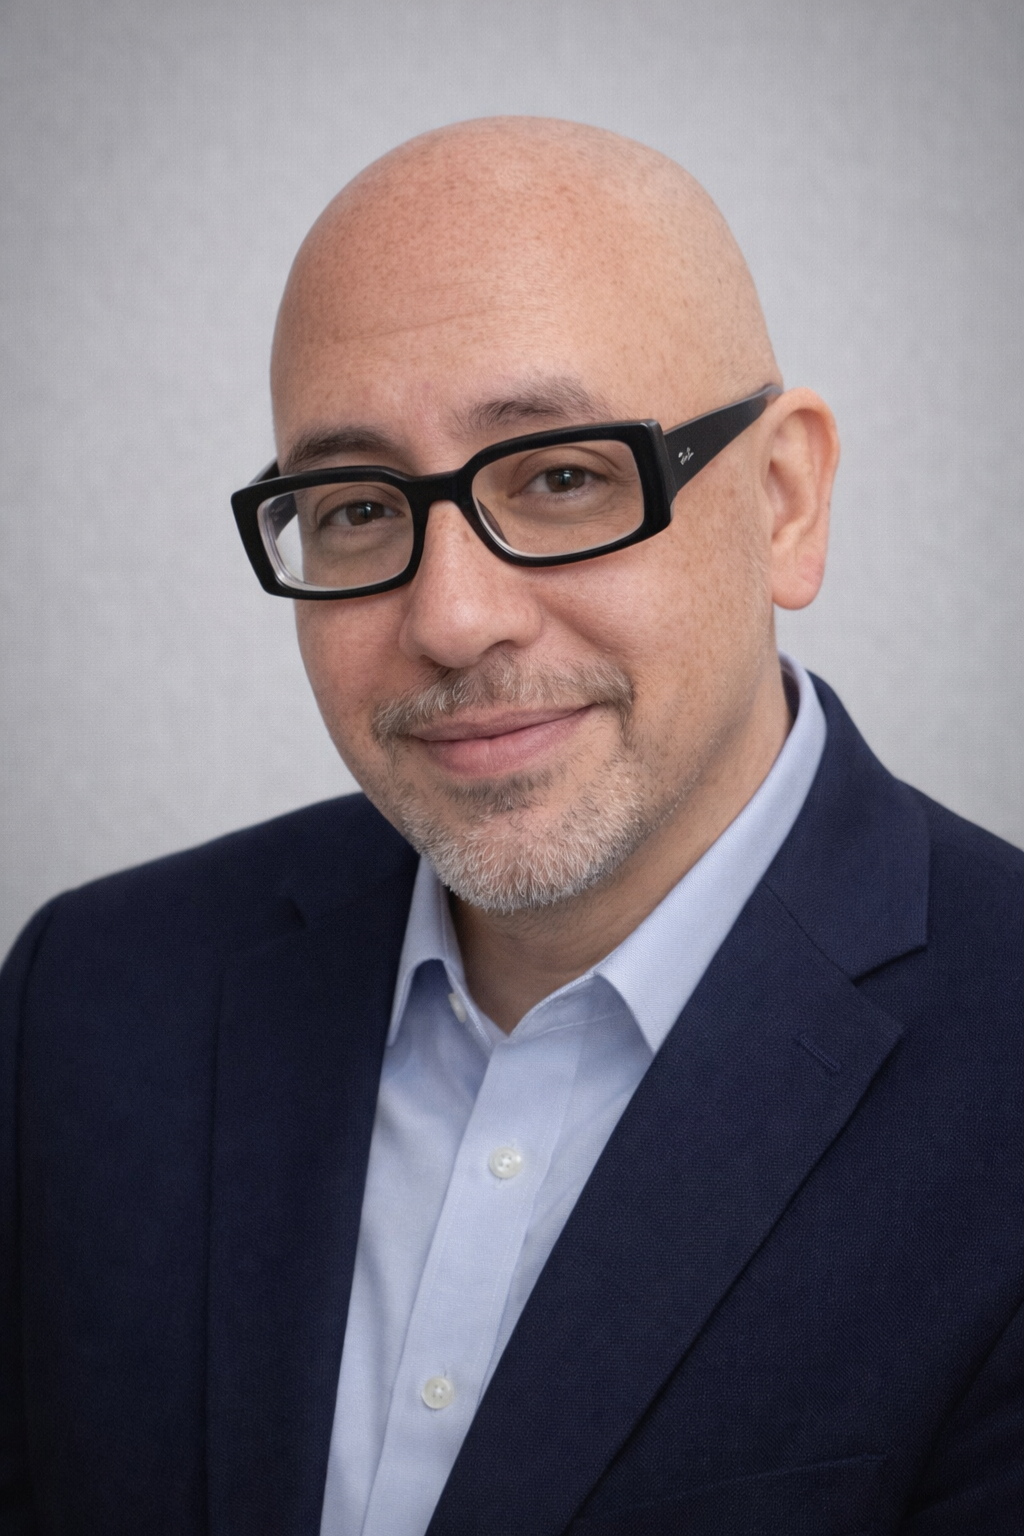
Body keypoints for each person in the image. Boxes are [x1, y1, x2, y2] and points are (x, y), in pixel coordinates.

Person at [1, 117, 1021, 1536]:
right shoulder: (92, 1000)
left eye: (560, 478)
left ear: (784, 502)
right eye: (358, 507)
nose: (452, 617)